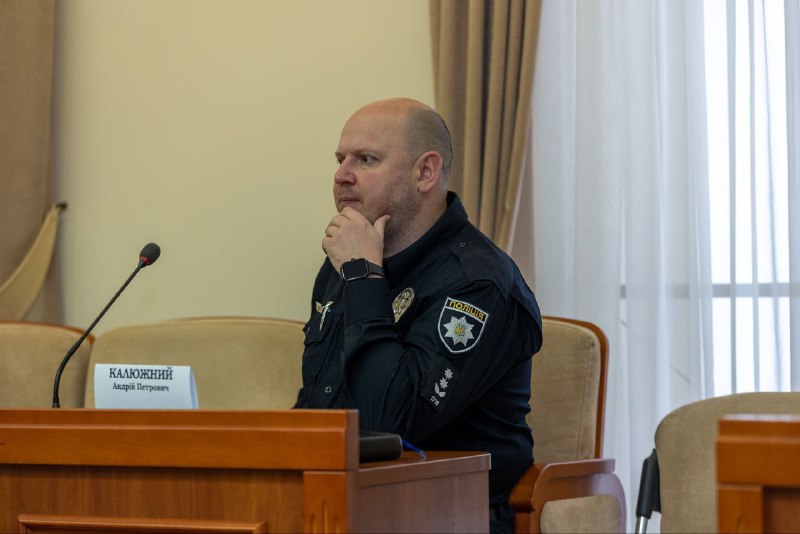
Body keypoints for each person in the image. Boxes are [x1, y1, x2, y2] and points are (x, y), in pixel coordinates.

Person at [295, 97, 542, 533]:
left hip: (443, 515)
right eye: (340, 159)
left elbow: (391, 423)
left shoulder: (478, 282)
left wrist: (364, 278)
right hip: (334, 505)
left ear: (425, 172)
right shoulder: (345, 264)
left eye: (365, 159)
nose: (341, 175)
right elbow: (320, 403)